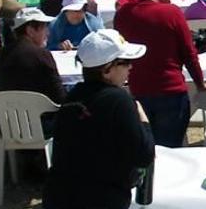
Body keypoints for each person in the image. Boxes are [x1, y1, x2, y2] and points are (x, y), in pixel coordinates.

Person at [43, 30, 154, 209]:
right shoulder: (119, 100)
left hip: (60, 196)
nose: (131, 67)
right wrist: (143, 120)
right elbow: (144, 155)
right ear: (107, 69)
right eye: (126, 62)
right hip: (101, 199)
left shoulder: (73, 97)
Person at [114, 0, 206, 147]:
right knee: (172, 150)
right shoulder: (171, 12)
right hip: (171, 92)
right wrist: (200, 83)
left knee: (146, 148)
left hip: (138, 90)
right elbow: (189, 54)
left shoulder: (122, 14)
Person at [0, 8, 65, 104]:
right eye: (44, 28)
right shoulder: (43, 55)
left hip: (7, 116)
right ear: (30, 30)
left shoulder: (4, 52)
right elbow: (59, 96)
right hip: (40, 116)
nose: (47, 33)